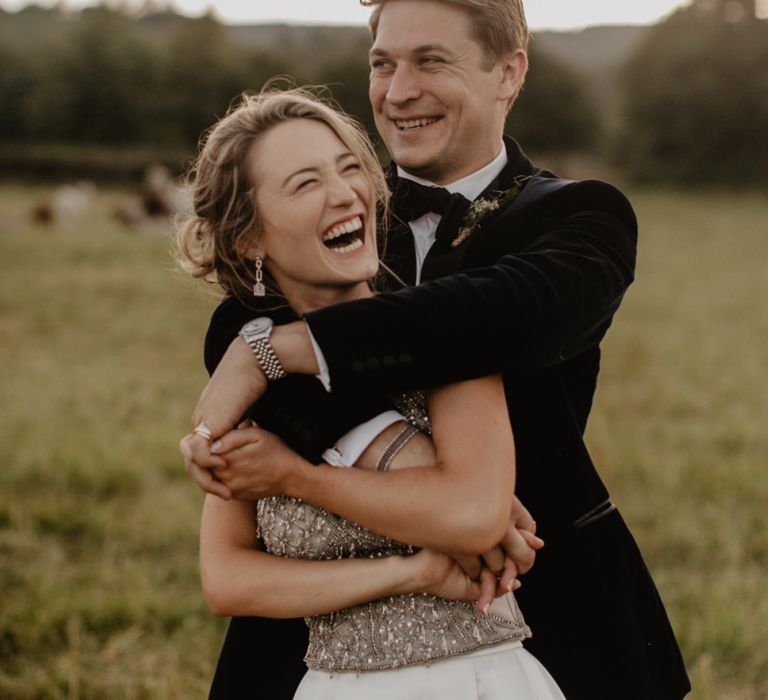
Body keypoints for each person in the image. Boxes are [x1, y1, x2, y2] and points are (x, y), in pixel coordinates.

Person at [182, 1, 691, 699]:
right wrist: (392, 448)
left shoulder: (583, 217)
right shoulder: (342, 210)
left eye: (431, 61)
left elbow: (506, 317)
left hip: (533, 596)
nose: (397, 92)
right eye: (382, 64)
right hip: (321, 640)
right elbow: (237, 322)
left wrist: (281, 352)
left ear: (508, 72)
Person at [178, 87, 566, 699]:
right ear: (250, 238)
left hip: (476, 681)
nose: (344, 193)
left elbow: (474, 514)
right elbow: (227, 579)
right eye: (305, 183)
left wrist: (291, 476)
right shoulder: (257, 386)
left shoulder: (444, 335)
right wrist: (408, 571)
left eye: (349, 167)